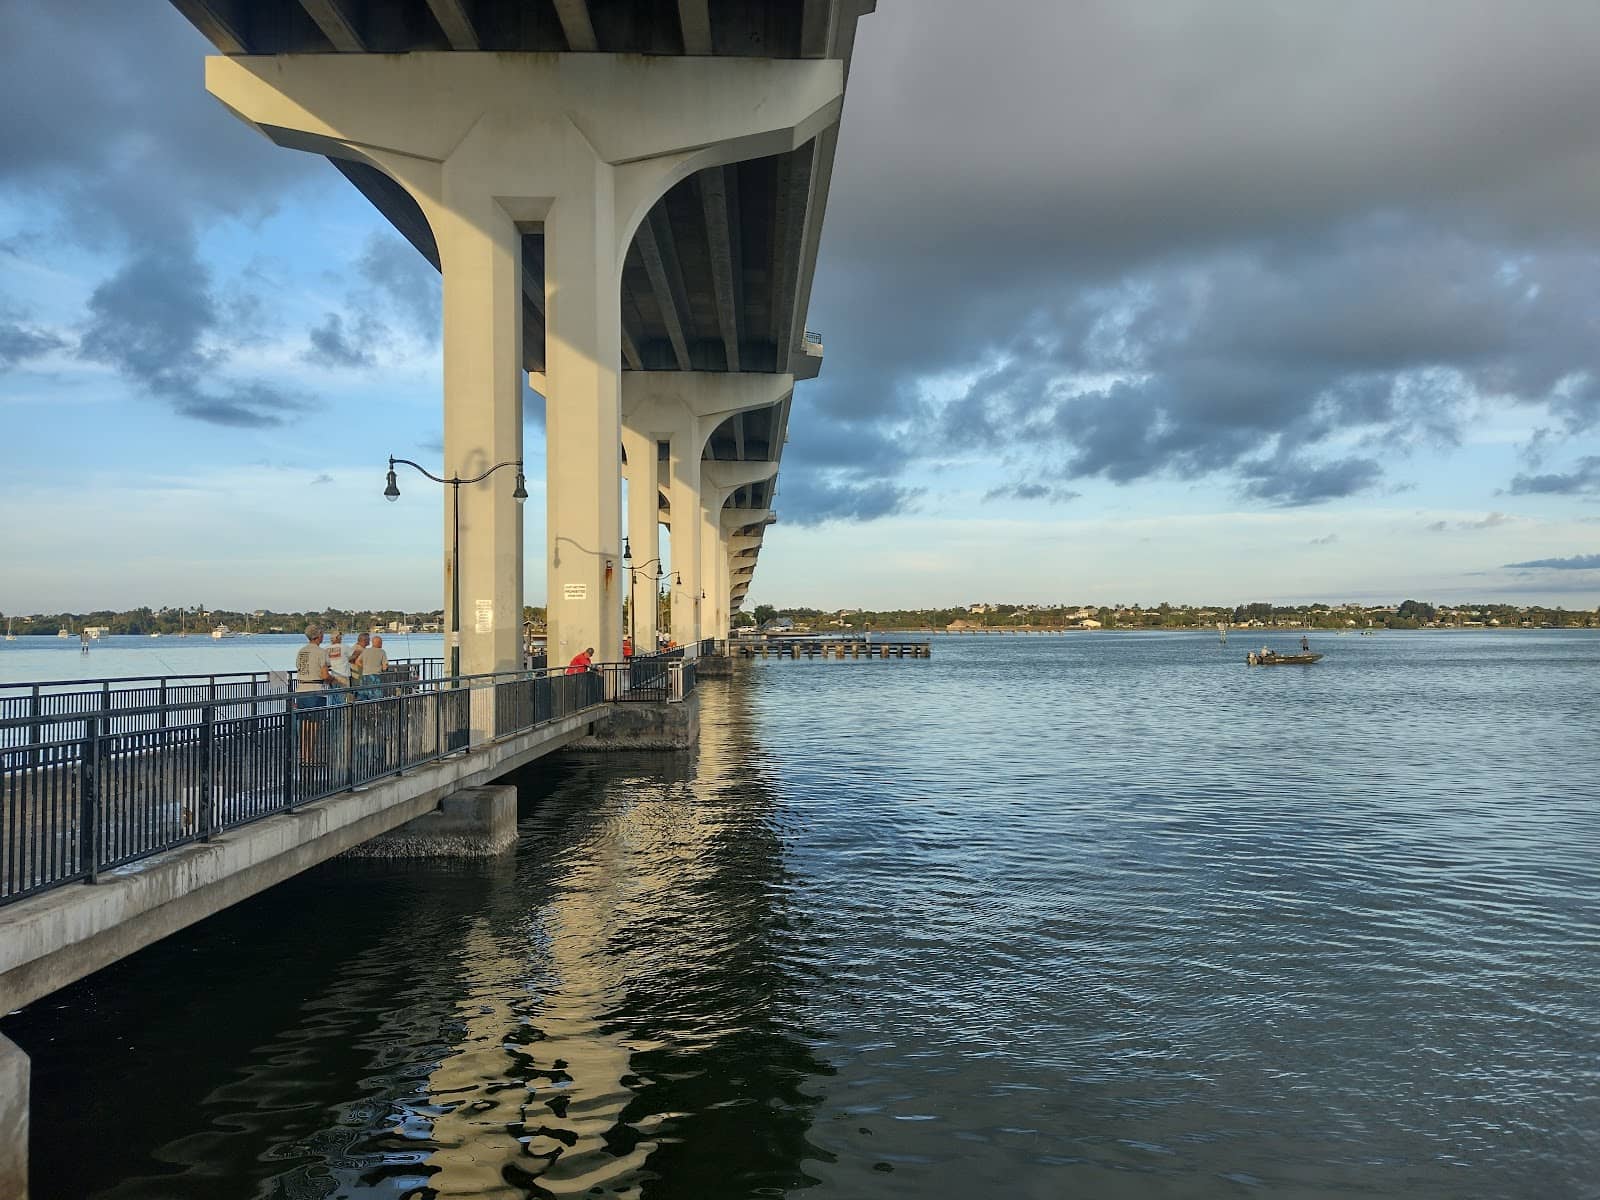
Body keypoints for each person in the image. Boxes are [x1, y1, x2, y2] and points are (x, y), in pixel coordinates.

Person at [294, 624, 331, 765]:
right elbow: (324, 674)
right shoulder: (321, 652)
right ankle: (310, 757)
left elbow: (299, 667)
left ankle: (303, 756)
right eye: (322, 634)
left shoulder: (301, 651)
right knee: (314, 726)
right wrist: (332, 680)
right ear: (319, 636)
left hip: (301, 689)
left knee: (304, 725)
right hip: (316, 690)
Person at [360, 634, 389, 699]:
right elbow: (385, 667)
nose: (382, 644)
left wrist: (365, 667)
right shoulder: (382, 652)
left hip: (364, 677)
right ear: (379, 643)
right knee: (376, 697)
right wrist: (383, 668)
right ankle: (375, 708)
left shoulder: (365, 650)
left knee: (364, 697)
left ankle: (365, 709)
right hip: (375, 677)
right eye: (381, 642)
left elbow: (357, 661)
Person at [327, 632, 352, 702]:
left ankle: (334, 713)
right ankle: (345, 712)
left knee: (334, 699)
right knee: (345, 699)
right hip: (343, 676)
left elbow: (326, 663)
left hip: (332, 677)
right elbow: (352, 657)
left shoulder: (325, 648)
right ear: (337, 638)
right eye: (340, 637)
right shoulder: (344, 647)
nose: (341, 639)